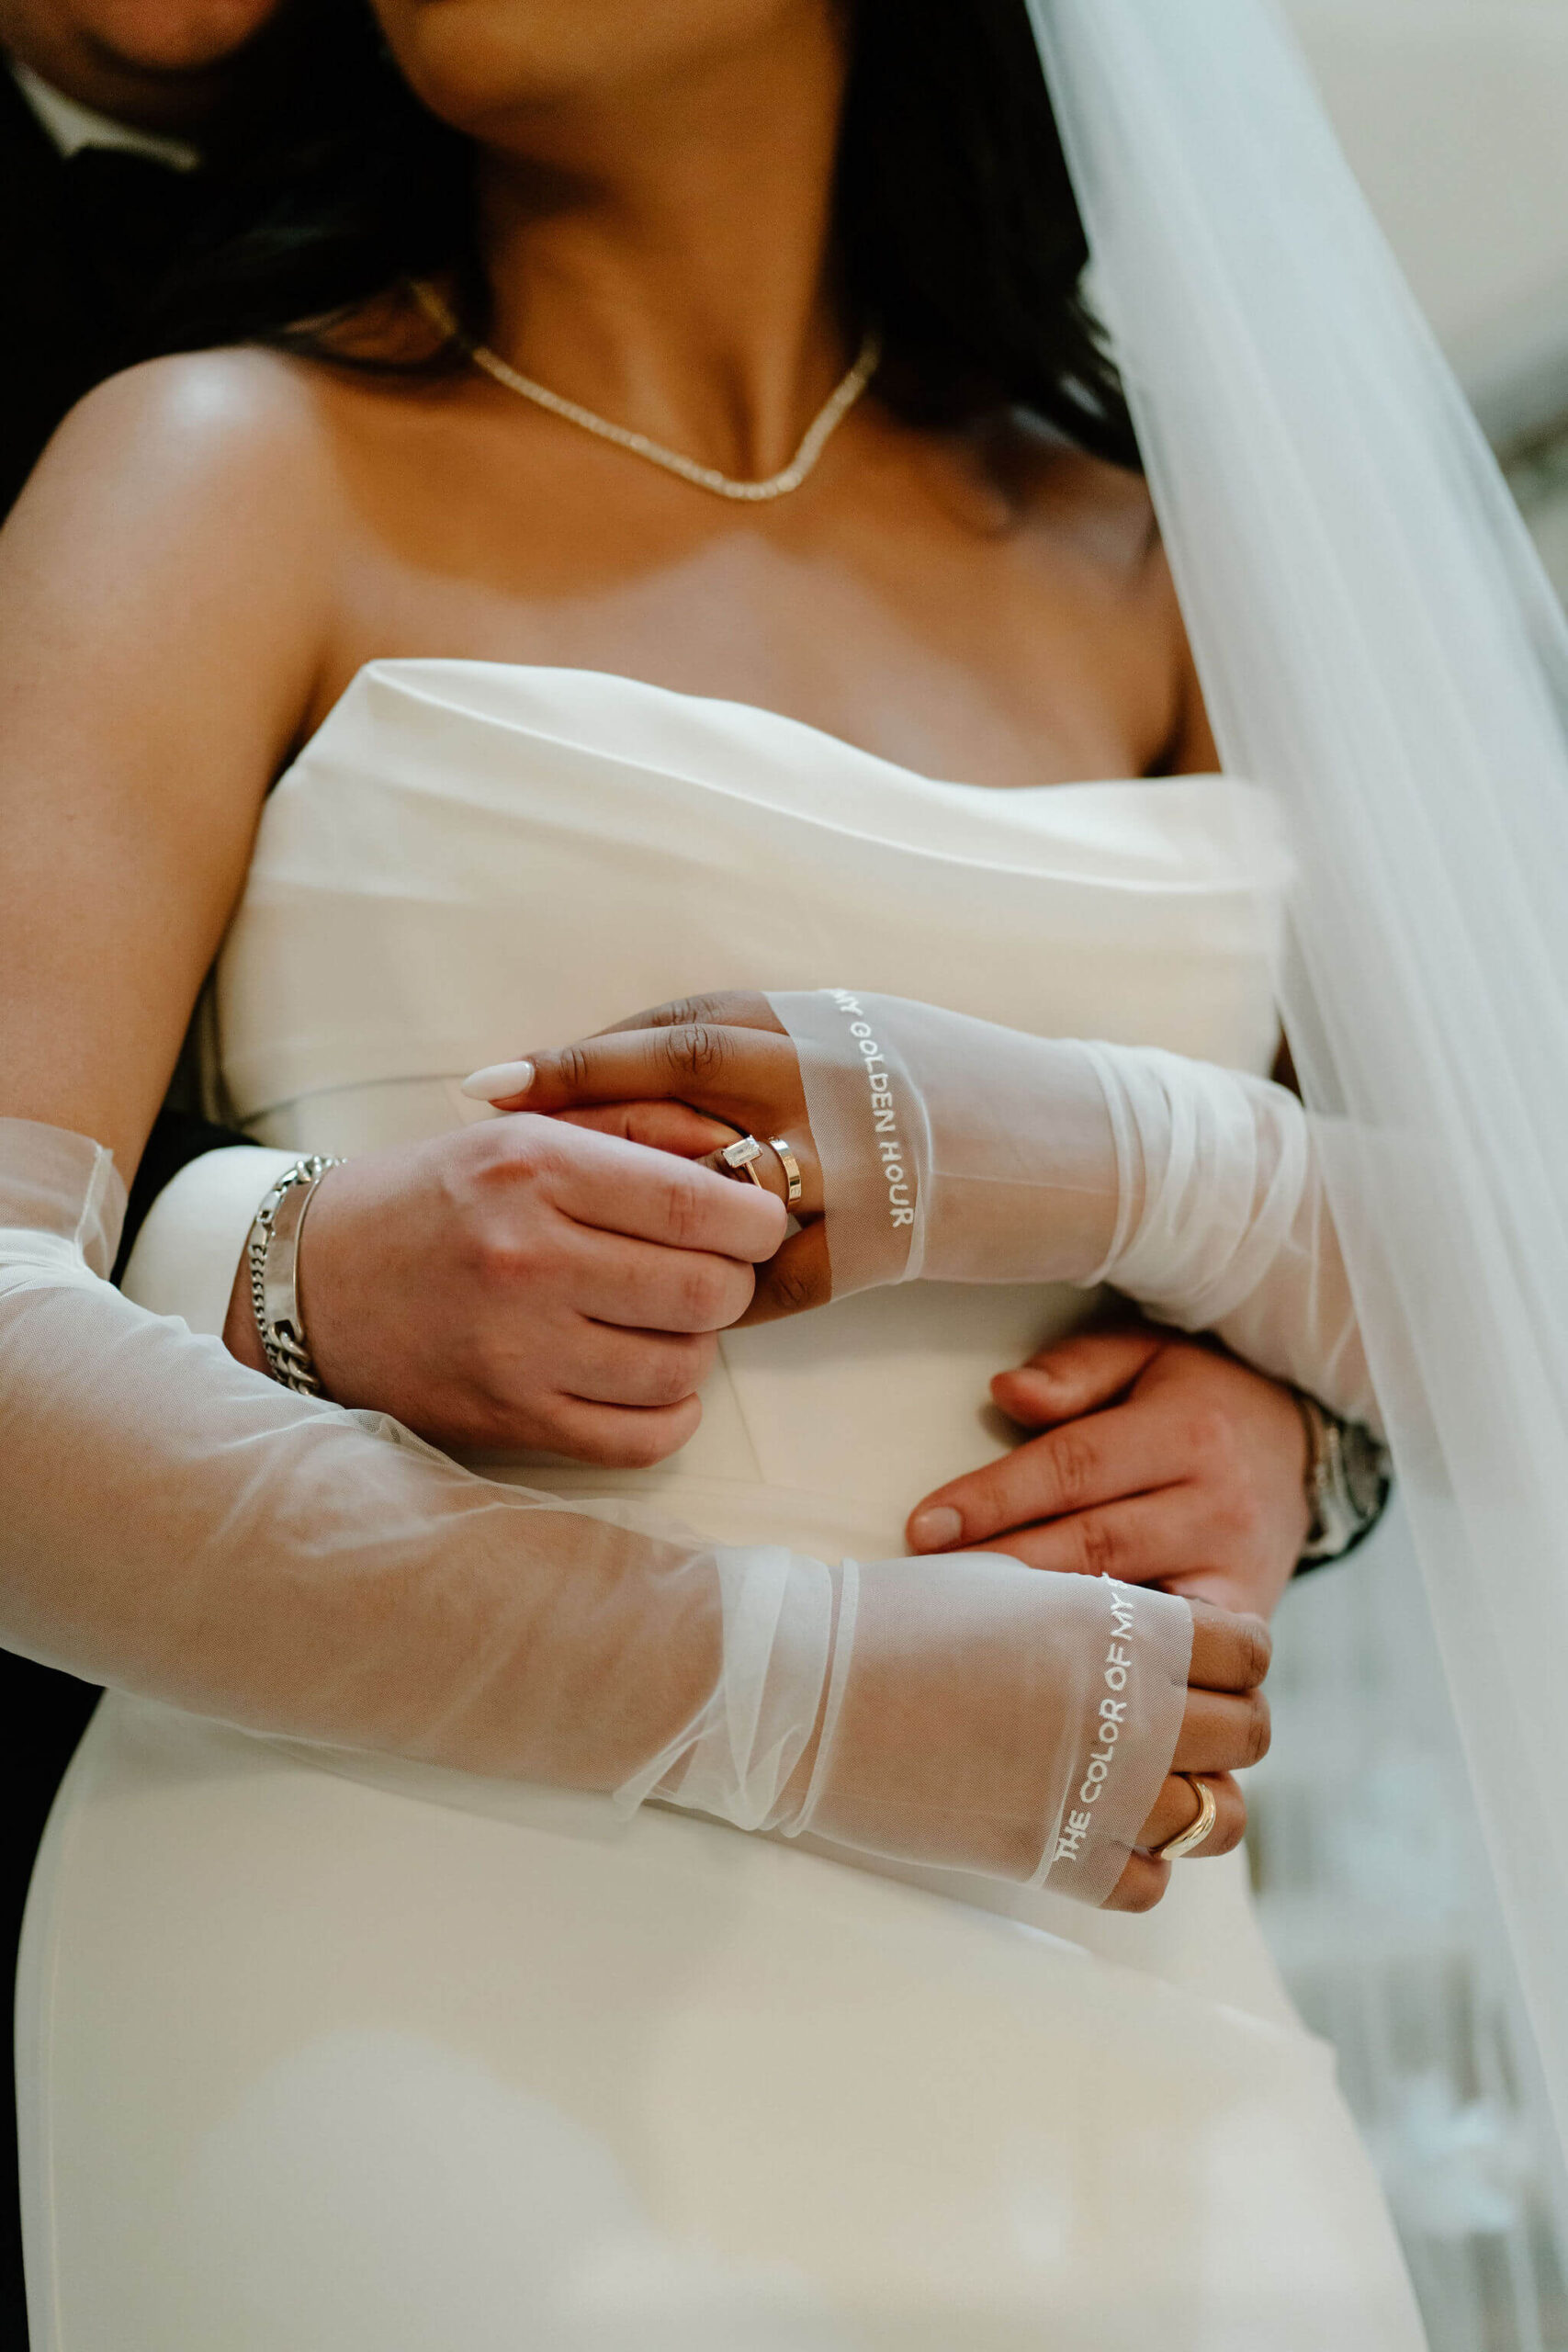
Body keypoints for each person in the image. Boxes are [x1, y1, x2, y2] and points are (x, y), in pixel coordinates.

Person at [0, 1, 1424, 2344]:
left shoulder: (1165, 568)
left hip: (1124, 1992)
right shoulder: (212, 462)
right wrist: (788, 1686)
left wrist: (1179, 1221)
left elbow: (1500, 1272)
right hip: (404, 1961)